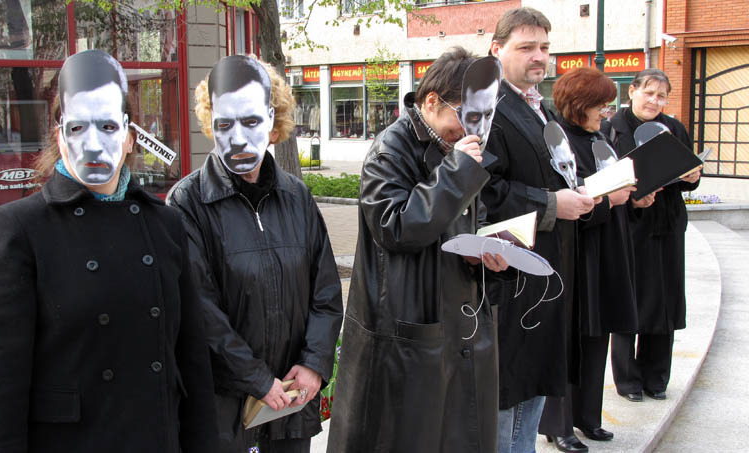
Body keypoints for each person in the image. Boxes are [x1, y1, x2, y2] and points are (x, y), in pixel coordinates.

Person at [0, 49, 216, 452]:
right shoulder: (19, 230)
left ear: (130, 136)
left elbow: (193, 365)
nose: (94, 144)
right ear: (60, 135)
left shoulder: (165, 225)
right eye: (78, 127)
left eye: (108, 126)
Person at [327, 47, 508, 453]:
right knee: (407, 435)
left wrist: (487, 253)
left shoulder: (456, 149)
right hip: (408, 325)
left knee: (456, 433)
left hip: (459, 320)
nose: (475, 129)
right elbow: (394, 227)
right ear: (431, 102)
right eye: (467, 115)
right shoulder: (390, 149)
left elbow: (466, 222)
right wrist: (459, 172)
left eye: (485, 117)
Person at [166, 55, 343, 453]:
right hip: (223, 411)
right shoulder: (187, 203)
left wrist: (314, 364)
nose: (238, 138)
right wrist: (257, 380)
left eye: (250, 122)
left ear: (272, 121)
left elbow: (326, 292)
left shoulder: (297, 197)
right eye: (224, 124)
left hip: (290, 404)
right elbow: (200, 311)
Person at [481, 7, 597, 453]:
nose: (539, 56)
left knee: (534, 387)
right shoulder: (488, 108)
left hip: (546, 266)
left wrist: (582, 192)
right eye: (526, 47)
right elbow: (484, 190)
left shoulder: (536, 105)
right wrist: (551, 204)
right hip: (511, 272)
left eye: (544, 47)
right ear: (497, 49)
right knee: (512, 389)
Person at [541, 67, 645, 449]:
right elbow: (567, 198)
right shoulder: (558, 140)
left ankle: (588, 417)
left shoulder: (599, 137)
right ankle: (559, 425)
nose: (606, 111)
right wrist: (607, 200)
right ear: (579, 104)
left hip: (607, 248)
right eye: (600, 104)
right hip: (576, 252)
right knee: (569, 338)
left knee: (597, 336)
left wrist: (633, 197)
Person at [602, 68, 701, 403]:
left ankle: (656, 377)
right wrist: (632, 198)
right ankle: (628, 380)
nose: (654, 101)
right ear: (632, 91)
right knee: (630, 299)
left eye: (661, 96)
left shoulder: (674, 128)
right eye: (648, 93)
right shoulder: (613, 128)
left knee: (665, 300)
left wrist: (692, 176)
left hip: (667, 224)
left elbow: (689, 173)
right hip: (630, 226)